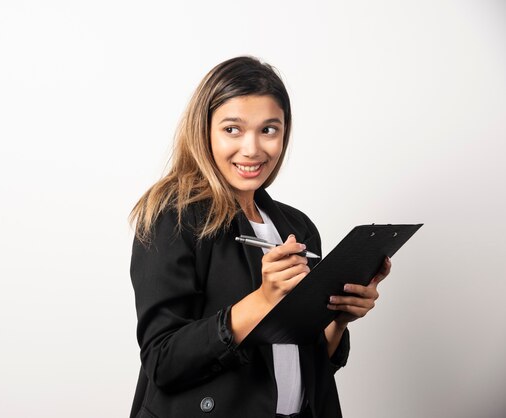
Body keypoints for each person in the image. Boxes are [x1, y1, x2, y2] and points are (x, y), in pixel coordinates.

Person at [128, 56, 391, 418]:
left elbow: (308, 365)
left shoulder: (297, 227)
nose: (252, 149)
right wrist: (264, 299)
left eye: (269, 129)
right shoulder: (172, 218)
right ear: (203, 131)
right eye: (232, 129)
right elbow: (163, 361)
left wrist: (340, 318)